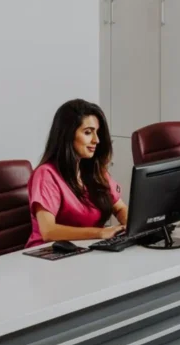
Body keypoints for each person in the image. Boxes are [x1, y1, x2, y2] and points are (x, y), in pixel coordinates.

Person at [26, 99, 128, 248]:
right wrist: (100, 233)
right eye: (88, 133)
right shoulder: (46, 175)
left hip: (85, 250)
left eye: (97, 133)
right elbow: (48, 231)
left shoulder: (94, 171)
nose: (96, 140)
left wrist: (132, 225)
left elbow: (120, 208)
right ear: (67, 135)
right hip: (48, 255)